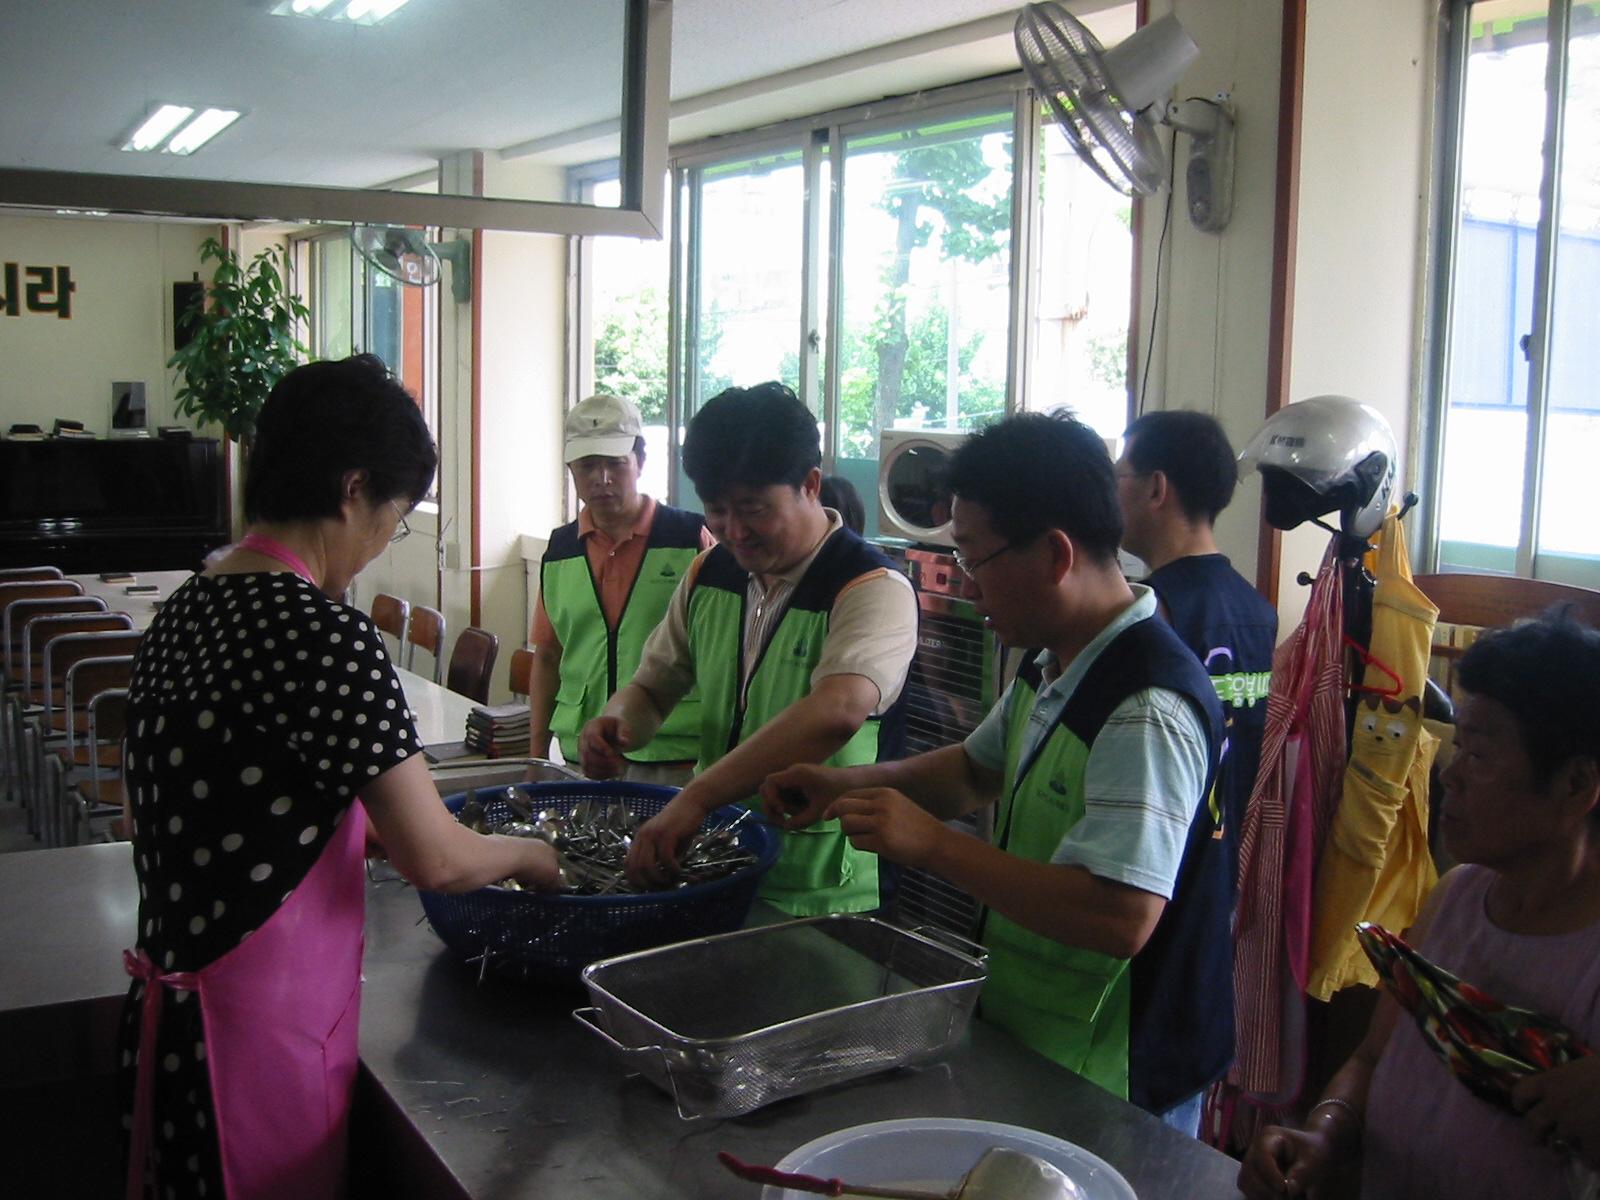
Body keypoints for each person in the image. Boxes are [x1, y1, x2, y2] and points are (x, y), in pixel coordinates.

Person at [117, 356, 558, 1200]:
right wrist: (533, 857)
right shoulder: (324, 635)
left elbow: (177, 812)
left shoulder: (184, 610)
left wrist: (340, 830)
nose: (381, 542)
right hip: (258, 1046)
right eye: (394, 520)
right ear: (354, 489)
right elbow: (437, 859)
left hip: (170, 1027)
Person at [762, 411, 1230, 1132]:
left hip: (1118, 1070)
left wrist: (932, 845)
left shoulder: (1144, 704)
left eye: (974, 558)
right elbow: (972, 771)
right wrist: (843, 786)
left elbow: (1119, 915)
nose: (967, 585)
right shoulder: (1058, 660)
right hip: (1045, 1036)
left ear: (1055, 554)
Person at [1239, 613, 1600, 1200]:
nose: (1450, 775)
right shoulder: (1456, 898)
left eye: (1479, 756)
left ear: (1575, 785)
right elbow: (1373, 1058)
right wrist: (1323, 1133)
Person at [581, 382, 918, 916]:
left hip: (827, 893)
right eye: (717, 510)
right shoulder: (711, 572)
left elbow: (836, 711)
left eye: (753, 509)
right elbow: (653, 686)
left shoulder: (871, 586)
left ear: (810, 485)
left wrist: (696, 797)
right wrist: (617, 723)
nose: (734, 531)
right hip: (718, 864)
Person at [1115, 409, 1277, 885]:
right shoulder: (1258, 610)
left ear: (1155, 488)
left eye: (1118, 477)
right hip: (1226, 867)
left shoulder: (1150, 614)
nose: (1110, 494)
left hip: (1157, 869)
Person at [529, 394, 713, 784]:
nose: (602, 478)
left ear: (640, 461)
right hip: (582, 759)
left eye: (615, 463)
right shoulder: (560, 550)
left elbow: (725, 650)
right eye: (587, 465)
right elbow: (547, 657)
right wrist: (536, 758)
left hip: (675, 758)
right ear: (571, 469)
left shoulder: (689, 538)